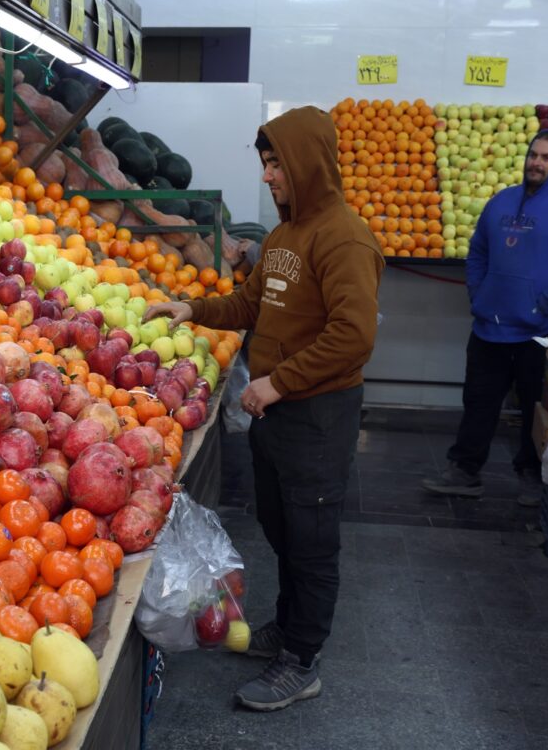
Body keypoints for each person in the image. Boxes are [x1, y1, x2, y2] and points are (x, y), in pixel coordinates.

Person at [144, 106, 383, 712]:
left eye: (276, 164)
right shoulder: (282, 237)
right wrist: (191, 311)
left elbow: (354, 336)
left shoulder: (345, 237)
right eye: (265, 164)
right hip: (278, 416)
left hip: (319, 415)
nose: (269, 177)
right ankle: (287, 627)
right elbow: (250, 306)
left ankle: (302, 661)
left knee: (312, 537)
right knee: (281, 525)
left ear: (305, 163)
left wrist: (279, 383)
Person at [422, 129, 548, 505]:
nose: (536, 162)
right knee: (478, 400)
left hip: (544, 330)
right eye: (534, 154)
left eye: (547, 157)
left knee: (538, 405)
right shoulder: (501, 201)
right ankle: (464, 471)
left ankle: (533, 475)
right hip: (491, 326)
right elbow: (478, 253)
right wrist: (479, 293)